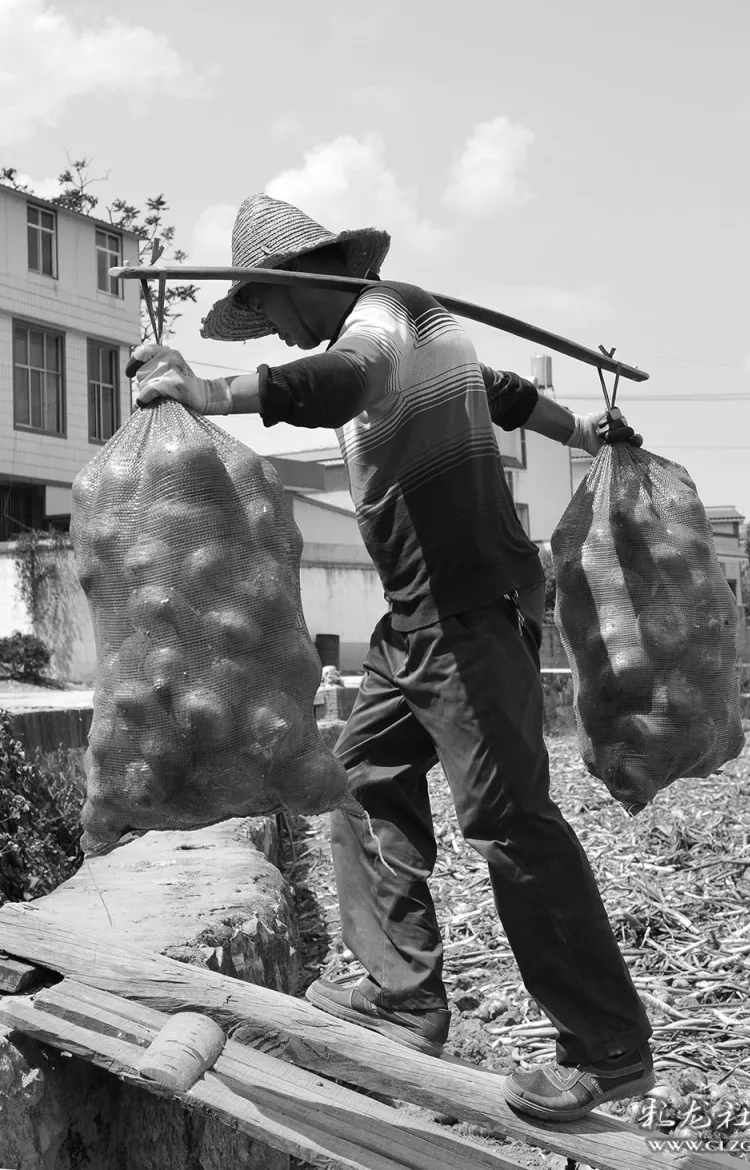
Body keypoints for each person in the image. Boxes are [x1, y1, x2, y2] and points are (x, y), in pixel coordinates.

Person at [130, 192, 654, 1121]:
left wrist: (211, 392)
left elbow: (339, 380)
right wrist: (587, 433)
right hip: (413, 619)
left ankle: (606, 1046)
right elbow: (504, 394)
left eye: (271, 308)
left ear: (301, 285)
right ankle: (403, 994)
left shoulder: (382, 319)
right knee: (362, 772)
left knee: (509, 822)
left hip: (467, 611)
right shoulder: (426, 336)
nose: (277, 333)